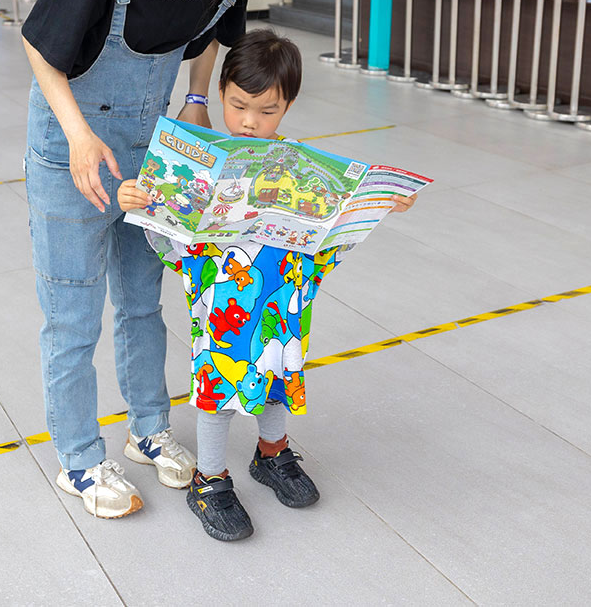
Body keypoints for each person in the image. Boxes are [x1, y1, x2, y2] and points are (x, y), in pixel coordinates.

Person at [21, 0, 292, 520]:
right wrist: (79, 136)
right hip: (72, 149)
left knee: (146, 300)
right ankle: (78, 458)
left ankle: (147, 428)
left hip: (150, 152)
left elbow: (214, 29)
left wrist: (198, 98)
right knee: (72, 314)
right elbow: (43, 48)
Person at [116, 31, 418, 541]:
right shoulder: (202, 161)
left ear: (289, 105)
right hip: (222, 300)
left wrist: (381, 204)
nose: (251, 121)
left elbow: (330, 233)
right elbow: (168, 239)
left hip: (283, 295)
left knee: (277, 370)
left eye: (267, 110)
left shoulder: (299, 164)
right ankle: (209, 480)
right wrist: (139, 204)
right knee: (219, 390)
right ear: (220, 93)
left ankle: (271, 452)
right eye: (238, 106)